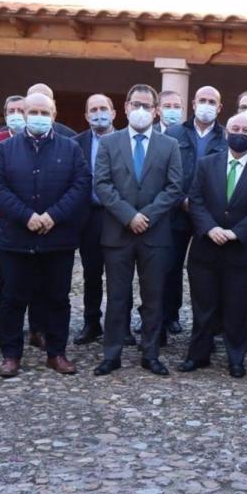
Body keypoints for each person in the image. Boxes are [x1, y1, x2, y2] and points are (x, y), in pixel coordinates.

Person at [0, 93, 91, 377]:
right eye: (33, 111)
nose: (38, 116)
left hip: (57, 239)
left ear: (54, 115)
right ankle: (11, 355)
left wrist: (52, 215)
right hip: (16, 238)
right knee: (13, 298)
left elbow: (80, 186)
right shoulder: (6, 149)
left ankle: (56, 353)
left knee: (58, 298)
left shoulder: (70, 149)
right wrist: (26, 216)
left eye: (44, 112)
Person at [92, 84, 183, 377]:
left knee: (154, 297)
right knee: (117, 296)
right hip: (118, 233)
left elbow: (174, 188)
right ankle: (112, 354)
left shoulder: (169, 145)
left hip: (155, 234)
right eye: (136, 104)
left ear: (156, 111)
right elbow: (102, 185)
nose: (141, 110)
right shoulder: (109, 143)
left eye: (148, 105)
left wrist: (147, 216)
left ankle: (151, 353)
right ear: (127, 107)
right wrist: (129, 216)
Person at [178, 112, 247, 378]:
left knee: (237, 307)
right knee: (203, 306)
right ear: (225, 132)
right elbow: (195, 199)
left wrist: (236, 233)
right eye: (235, 128)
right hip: (206, 248)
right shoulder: (206, 164)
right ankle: (197, 355)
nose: (239, 133)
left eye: (246, 130)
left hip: (242, 251)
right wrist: (210, 228)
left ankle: (236, 358)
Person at [0, 95, 45, 354]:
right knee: (3, 279)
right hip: (5, 221)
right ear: (5, 115)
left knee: (39, 277)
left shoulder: (42, 143)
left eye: (21, 109)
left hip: (41, 222)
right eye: (12, 110)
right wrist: (24, 211)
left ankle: (37, 329)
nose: (17, 114)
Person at [161, 86, 228, 341]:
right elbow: (165, 171)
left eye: (212, 101)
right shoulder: (174, 133)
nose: (207, 105)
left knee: (207, 272)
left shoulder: (225, 137)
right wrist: (181, 200)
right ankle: (169, 316)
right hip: (177, 211)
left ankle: (211, 325)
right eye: (203, 100)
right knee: (170, 267)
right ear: (193, 103)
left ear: (220, 108)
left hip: (209, 217)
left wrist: (202, 207)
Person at [71, 94, 136, 346]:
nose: (99, 113)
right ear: (86, 115)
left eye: (103, 108)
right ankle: (91, 323)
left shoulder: (126, 140)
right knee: (91, 273)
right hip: (90, 217)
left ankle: (123, 326)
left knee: (121, 275)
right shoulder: (76, 144)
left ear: (114, 112)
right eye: (93, 109)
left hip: (119, 216)